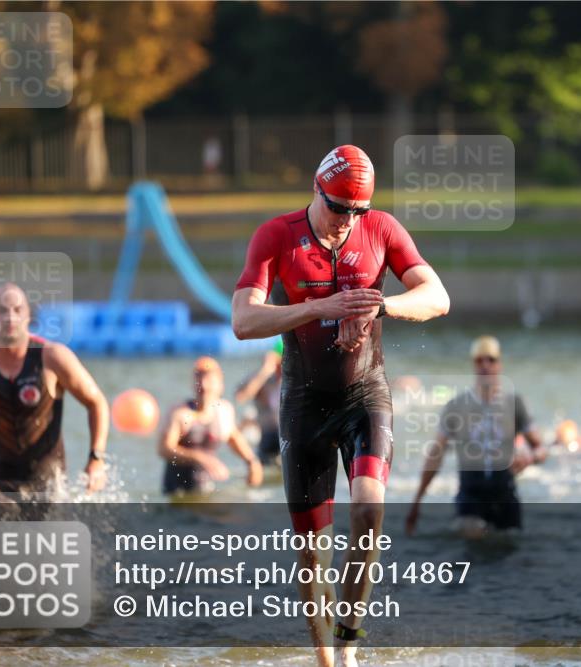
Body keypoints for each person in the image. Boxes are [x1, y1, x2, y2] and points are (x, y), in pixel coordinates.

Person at [231, 145, 450, 667]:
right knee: (312, 554)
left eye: (356, 212)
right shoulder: (276, 236)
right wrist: (319, 307)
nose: (345, 223)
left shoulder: (382, 229)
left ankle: (350, 644)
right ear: (316, 188)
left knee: (370, 509)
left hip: (364, 395)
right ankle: (324, 659)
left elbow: (437, 296)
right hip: (304, 402)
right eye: (337, 209)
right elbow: (243, 320)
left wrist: (382, 305)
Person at [0, 283, 109, 502]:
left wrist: (96, 458)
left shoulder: (53, 357)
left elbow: (97, 402)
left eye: (18, 310)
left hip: (49, 483)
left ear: (29, 316)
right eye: (1, 310)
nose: (10, 317)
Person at [405, 336, 546, 537]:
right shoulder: (456, 406)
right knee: (473, 535)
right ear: (473, 364)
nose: (485, 365)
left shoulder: (515, 404)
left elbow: (541, 448)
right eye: (480, 360)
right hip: (470, 495)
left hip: (505, 493)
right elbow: (436, 455)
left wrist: (530, 458)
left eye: (491, 360)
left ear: (500, 364)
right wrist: (416, 502)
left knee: (510, 549)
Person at [159, 356, 263, 495]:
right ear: (193, 383)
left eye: (208, 379)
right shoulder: (181, 414)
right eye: (199, 378)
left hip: (205, 489)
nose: (203, 384)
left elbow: (233, 438)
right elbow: (164, 449)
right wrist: (198, 457)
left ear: (220, 384)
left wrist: (251, 462)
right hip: (177, 492)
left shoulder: (224, 411)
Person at [234, 339, 284, 466]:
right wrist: (265, 371)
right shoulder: (262, 378)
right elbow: (241, 397)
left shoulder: (295, 378)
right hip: (268, 438)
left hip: (288, 435)